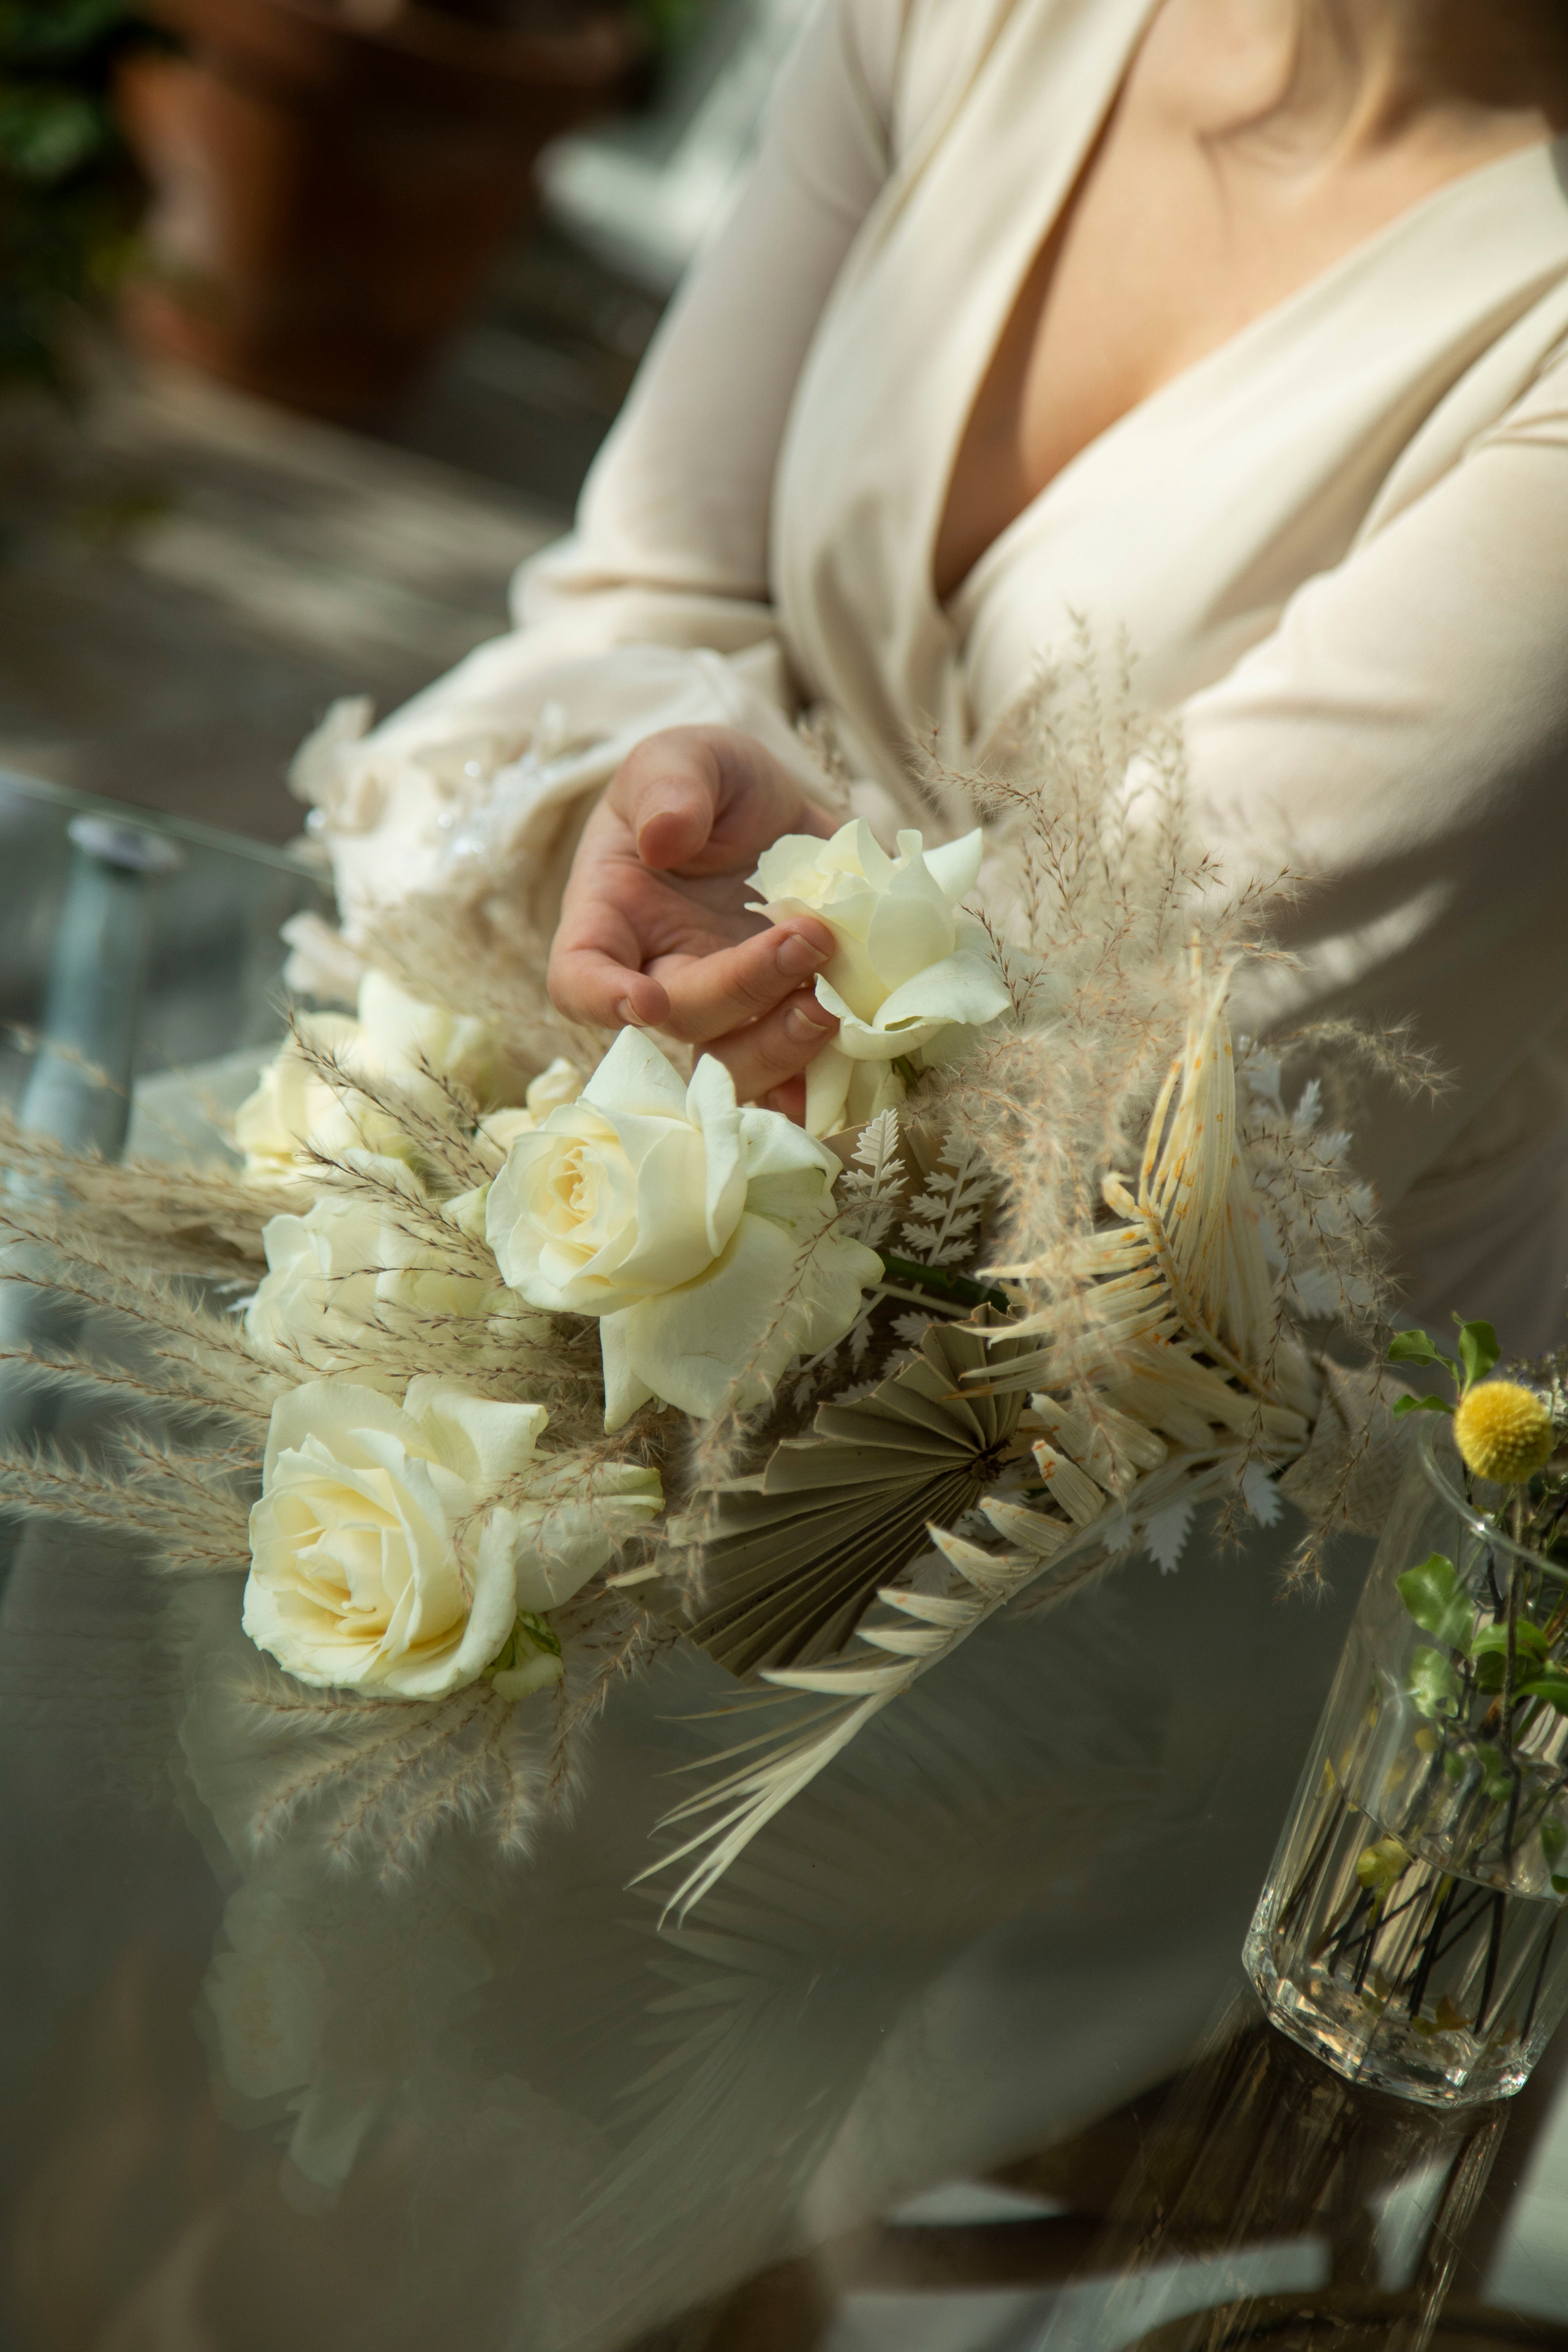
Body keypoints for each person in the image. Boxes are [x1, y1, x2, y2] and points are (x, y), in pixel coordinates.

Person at [9, 7, 1568, 2348]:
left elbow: (1157, 959)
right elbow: (633, 587)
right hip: (629, 1184)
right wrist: (604, 819)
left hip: (1142, 1504)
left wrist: (746, 925)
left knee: (468, 1996)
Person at [301, 0, 1568, 1362]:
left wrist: (767, 915)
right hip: (617, 1220)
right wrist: (637, 824)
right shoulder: (958, 20)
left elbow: (1148, 1005)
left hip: (1089, 1448)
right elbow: (637, 587)